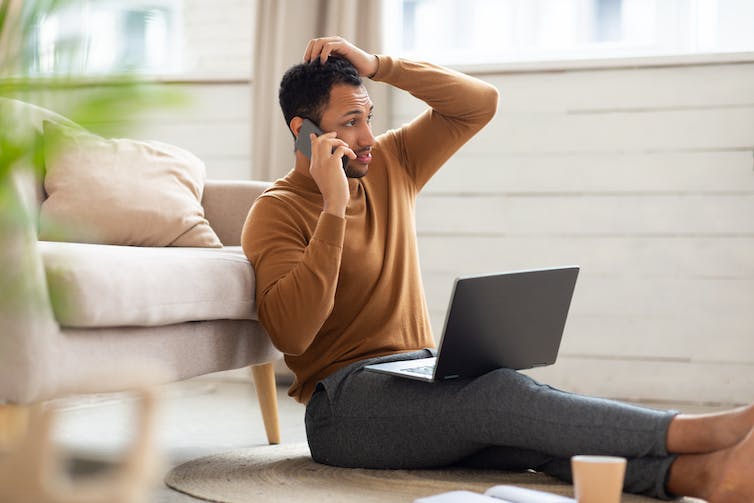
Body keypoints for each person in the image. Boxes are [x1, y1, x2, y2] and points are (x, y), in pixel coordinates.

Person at [241, 36, 754, 502]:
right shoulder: (277, 210)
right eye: (349, 122)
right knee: (500, 398)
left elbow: (477, 105)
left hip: (420, 373)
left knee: (534, 437)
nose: (368, 136)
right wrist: (332, 208)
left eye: (368, 117)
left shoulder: (390, 163)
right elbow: (295, 334)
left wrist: (381, 65)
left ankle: (707, 479)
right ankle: (703, 431)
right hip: (345, 407)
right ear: (303, 131)